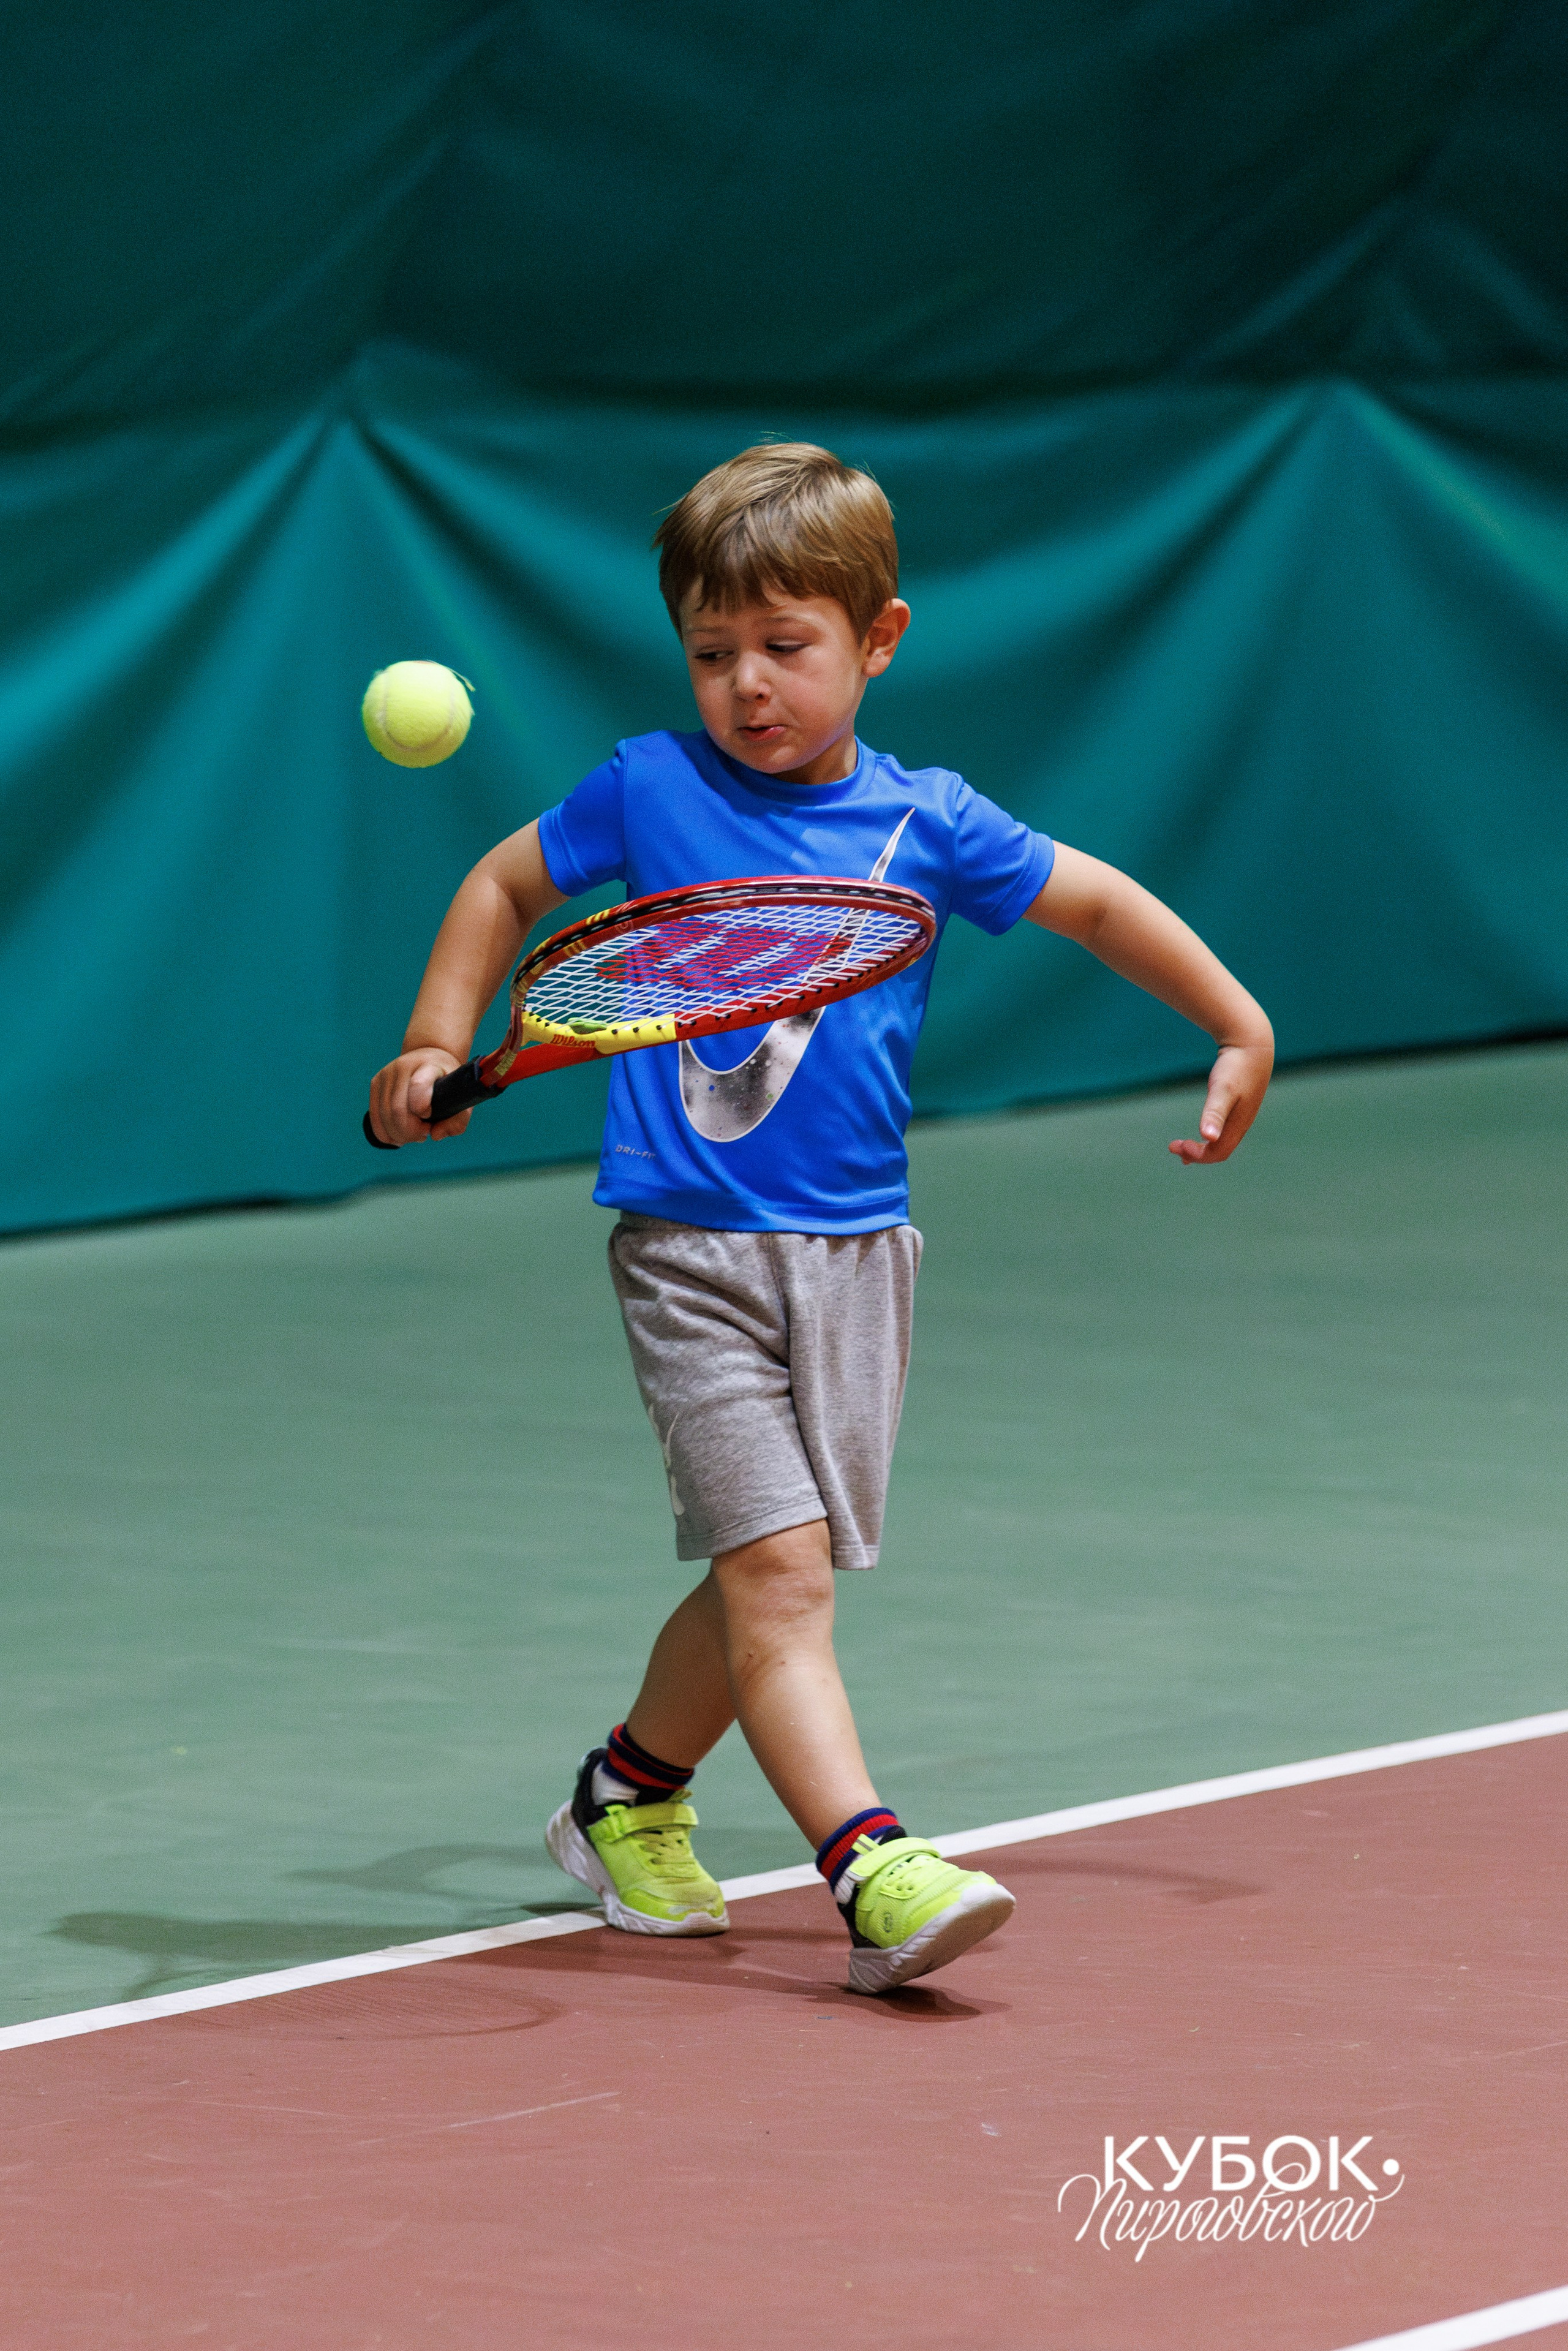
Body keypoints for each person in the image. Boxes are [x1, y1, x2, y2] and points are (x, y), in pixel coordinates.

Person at [366, 443, 1273, 1994]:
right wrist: (433, 1040)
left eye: (785, 646)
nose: (747, 684)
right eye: (711, 651)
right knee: (779, 1573)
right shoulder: (649, 788)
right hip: (688, 1254)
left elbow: (1094, 901)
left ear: (878, 639)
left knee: (772, 1569)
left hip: (859, 1257)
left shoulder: (926, 824)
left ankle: (624, 1794)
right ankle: (872, 1866)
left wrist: (1234, 1020)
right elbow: (503, 885)